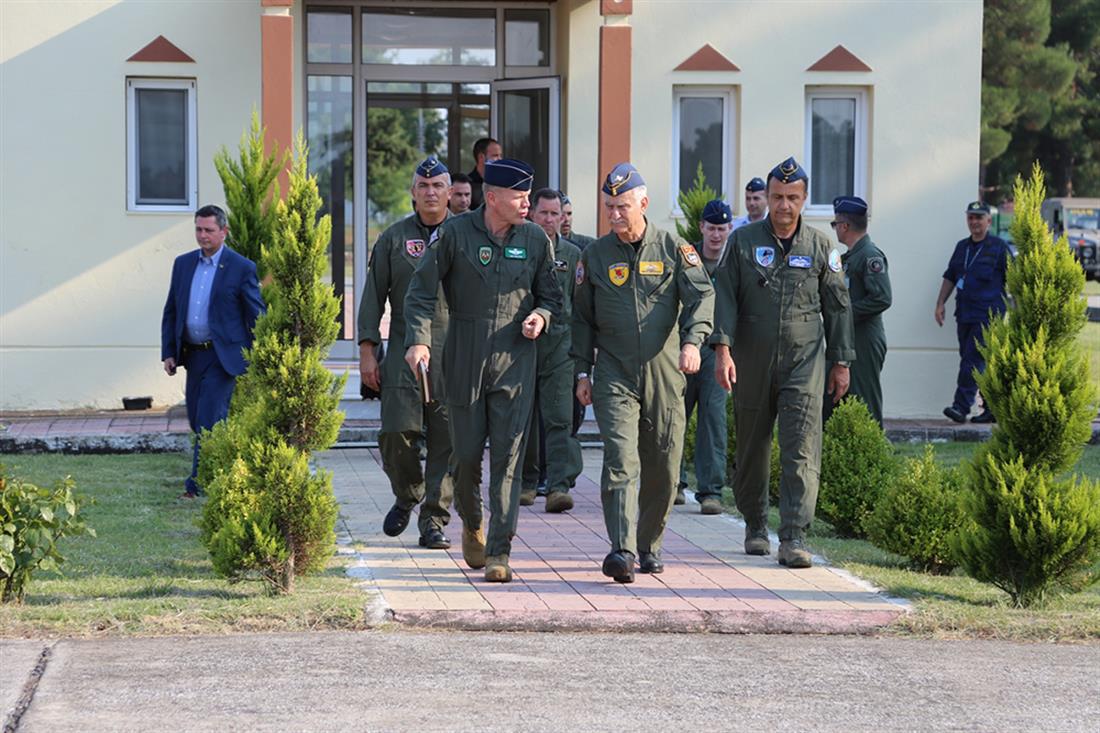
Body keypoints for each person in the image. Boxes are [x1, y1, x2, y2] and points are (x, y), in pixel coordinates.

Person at [404, 158, 562, 584]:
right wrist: (418, 340)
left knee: (508, 459)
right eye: (519, 196)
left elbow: (552, 296)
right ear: (492, 198)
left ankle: (499, 551)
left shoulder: (535, 239)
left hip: (516, 359)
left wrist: (541, 317)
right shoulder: (455, 234)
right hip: (465, 355)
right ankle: (472, 521)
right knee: (466, 456)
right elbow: (420, 292)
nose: (527, 203)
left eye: (528, 196)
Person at [573, 163, 714, 583]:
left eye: (623, 206)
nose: (614, 214)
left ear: (644, 204)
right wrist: (582, 373)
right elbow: (581, 320)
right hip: (614, 373)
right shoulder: (594, 256)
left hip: (665, 373)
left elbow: (702, 297)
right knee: (620, 459)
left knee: (664, 466)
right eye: (609, 207)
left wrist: (693, 342)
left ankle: (649, 544)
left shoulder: (674, 249)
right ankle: (622, 550)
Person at [711, 157, 855, 569]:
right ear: (768, 197)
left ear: (805, 199)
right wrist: (722, 349)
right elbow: (725, 298)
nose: (784, 205)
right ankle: (755, 525)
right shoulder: (742, 242)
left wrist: (841, 361)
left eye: (792, 198)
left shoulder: (820, 247)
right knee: (752, 447)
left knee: (802, 447)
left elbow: (838, 306)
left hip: (804, 360)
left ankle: (793, 536)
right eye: (777, 197)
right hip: (752, 357)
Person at [358, 157, 456, 549]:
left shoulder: (466, 235)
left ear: (450, 192)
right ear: (413, 192)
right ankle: (408, 493)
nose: (431, 192)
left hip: (453, 351)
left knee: (447, 440)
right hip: (402, 351)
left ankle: (434, 520)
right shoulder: (394, 239)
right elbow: (372, 297)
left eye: (438, 186)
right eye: (423, 186)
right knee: (395, 433)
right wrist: (368, 351)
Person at [161, 204, 264, 498]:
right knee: (197, 419)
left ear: (224, 231)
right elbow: (171, 310)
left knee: (209, 420)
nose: (202, 235)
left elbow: (256, 314)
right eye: (198, 229)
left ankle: (198, 485)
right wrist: (169, 352)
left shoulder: (241, 267)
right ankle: (225, 470)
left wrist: (259, 353)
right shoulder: (183, 264)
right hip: (193, 355)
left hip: (223, 357)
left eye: (208, 230)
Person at [519, 188, 583, 512]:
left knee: (559, 417)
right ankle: (527, 483)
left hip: (560, 346)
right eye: (543, 213)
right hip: (523, 344)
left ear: (562, 217)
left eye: (554, 214)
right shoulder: (518, 247)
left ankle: (558, 486)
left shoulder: (572, 255)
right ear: (532, 214)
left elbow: (580, 305)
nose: (548, 219)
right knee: (524, 417)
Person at [677, 199, 732, 515]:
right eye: (711, 228)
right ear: (702, 227)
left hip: (716, 351)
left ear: (729, 229)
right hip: (685, 347)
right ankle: (673, 484)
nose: (716, 235)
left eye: (721, 229)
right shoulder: (687, 258)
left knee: (713, 419)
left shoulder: (735, 261)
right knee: (675, 417)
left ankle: (711, 492)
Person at [934, 201, 1010, 424]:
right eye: (971, 217)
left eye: (979, 217)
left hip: (988, 314)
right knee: (975, 361)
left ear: (989, 220)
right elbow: (950, 276)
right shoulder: (962, 247)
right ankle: (992, 408)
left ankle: (961, 407)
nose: (975, 222)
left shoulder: (999, 247)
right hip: (965, 313)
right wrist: (940, 303)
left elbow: (1014, 278)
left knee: (972, 361)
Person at [824, 196, 892, 425]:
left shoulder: (870, 256)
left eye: (835, 224)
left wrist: (843, 314)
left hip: (863, 339)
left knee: (864, 403)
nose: (835, 229)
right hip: (847, 339)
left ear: (844, 226)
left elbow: (882, 298)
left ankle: (873, 446)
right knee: (833, 398)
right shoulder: (850, 257)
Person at [467, 137, 503, 211]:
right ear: (481, 157)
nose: (500, 159)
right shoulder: (468, 184)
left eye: (500, 155)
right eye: (495, 155)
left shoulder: (502, 183)